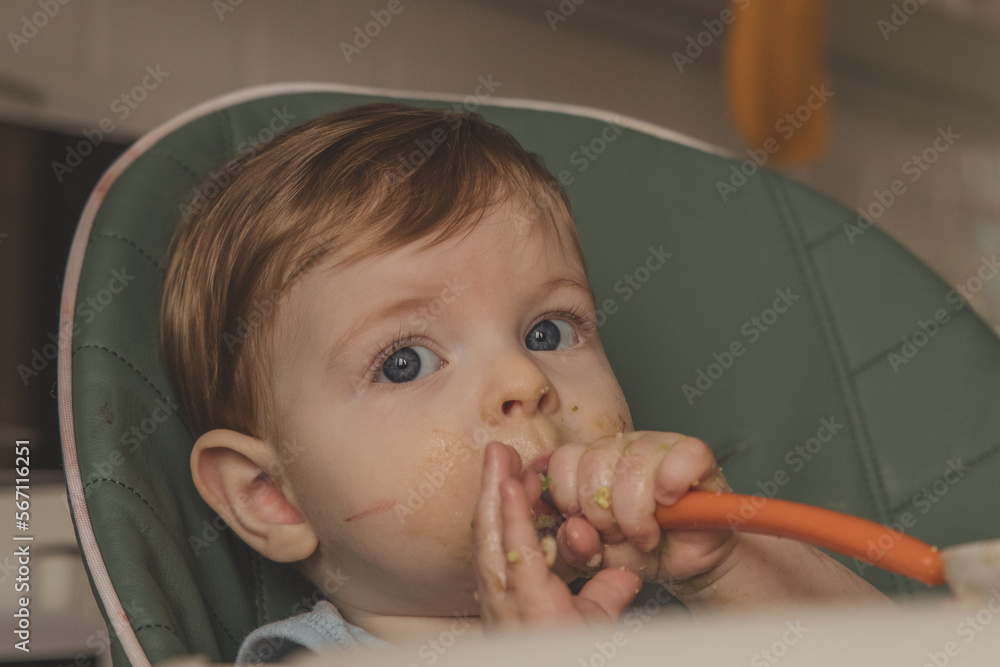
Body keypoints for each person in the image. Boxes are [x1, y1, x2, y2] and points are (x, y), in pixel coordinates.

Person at [159, 103, 890, 663]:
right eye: (406, 361)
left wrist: (726, 566)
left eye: (549, 332)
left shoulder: (676, 611)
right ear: (271, 495)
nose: (524, 377)